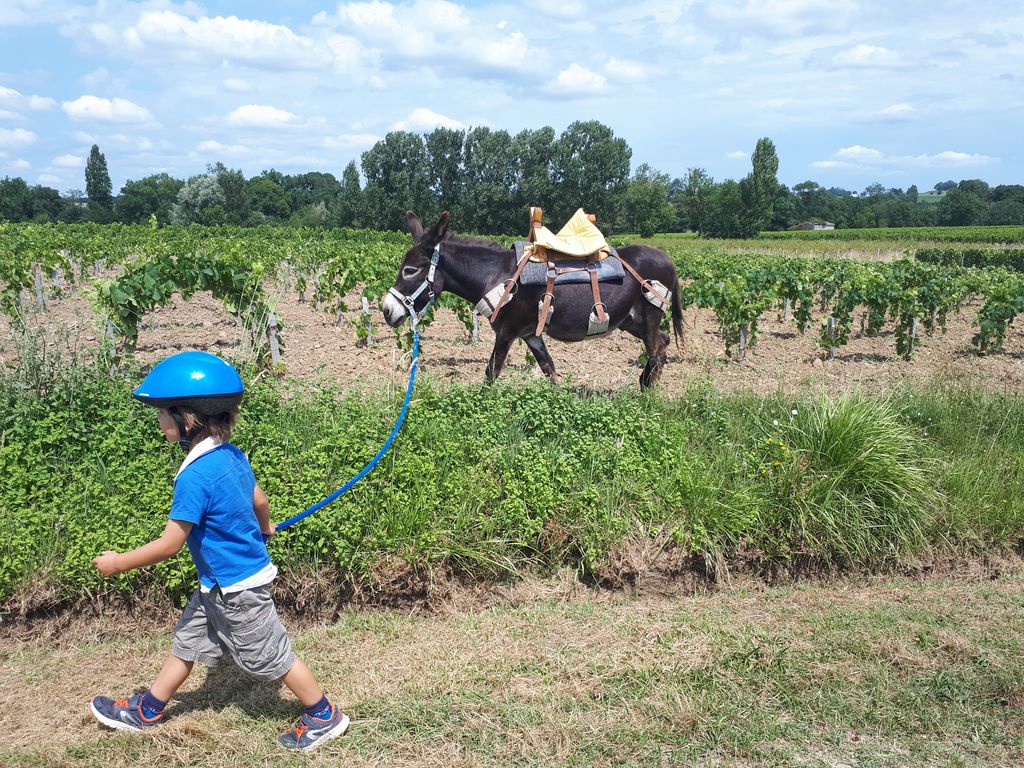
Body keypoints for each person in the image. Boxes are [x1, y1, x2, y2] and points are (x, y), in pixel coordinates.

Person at [89, 350, 349, 752]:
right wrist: (264, 528)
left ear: (188, 418)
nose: (159, 421)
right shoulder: (231, 455)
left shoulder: (194, 477)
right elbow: (259, 500)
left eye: (163, 412)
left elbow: (171, 544)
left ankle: (323, 714)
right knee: (188, 642)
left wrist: (117, 563)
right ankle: (148, 711)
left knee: (272, 656)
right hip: (217, 585)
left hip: (236, 590)